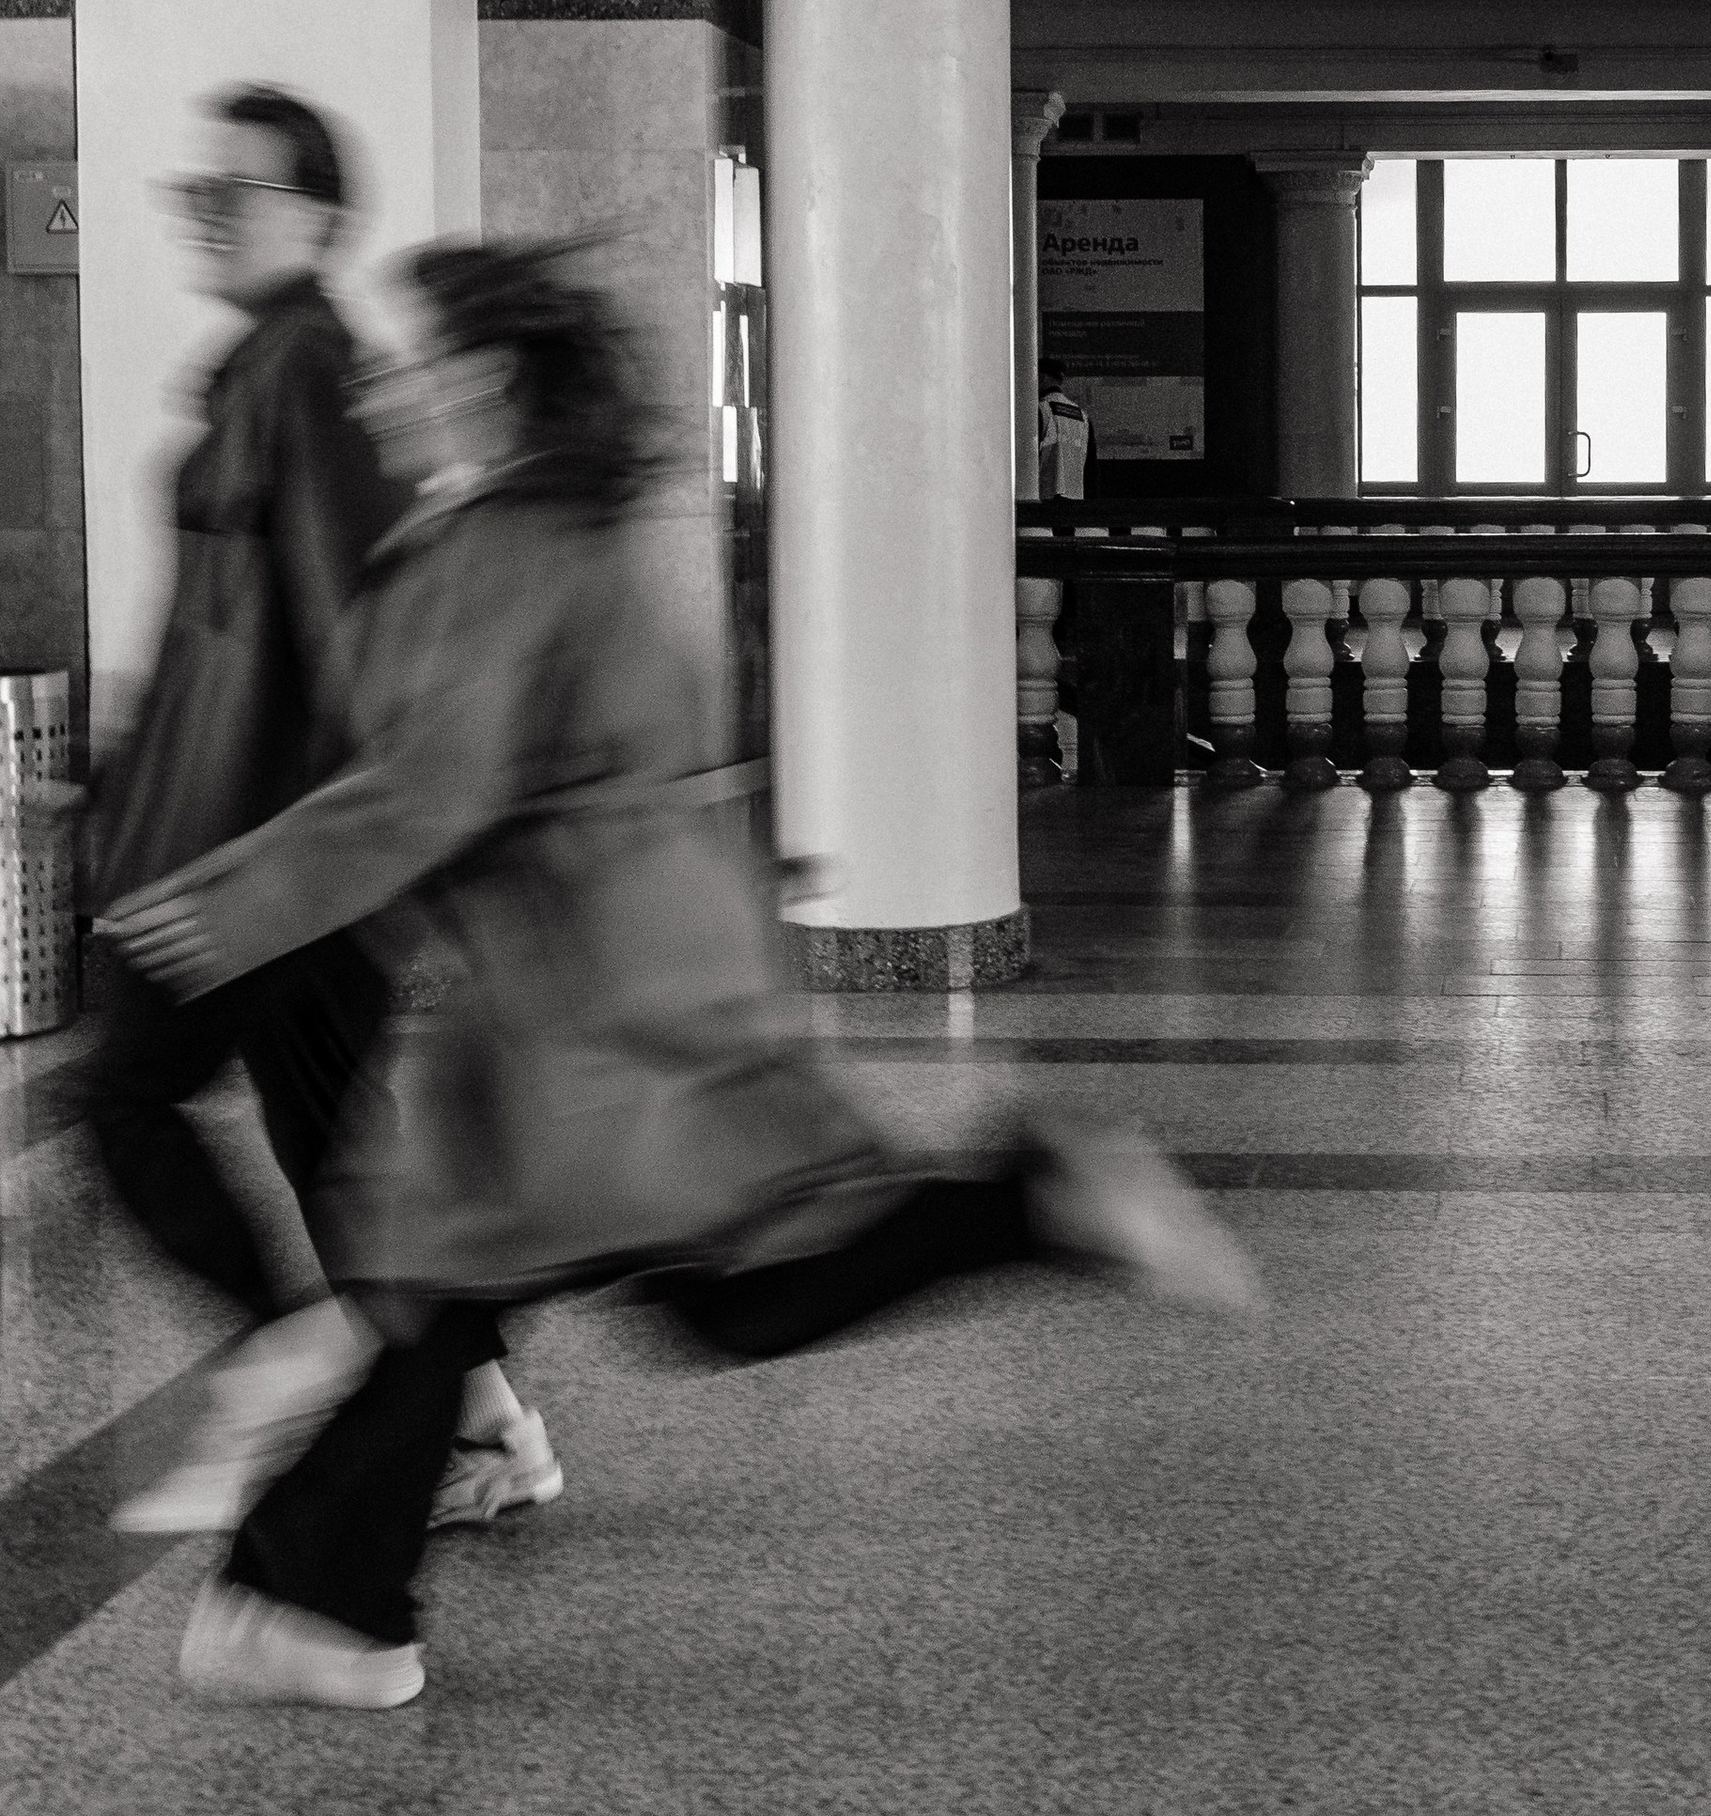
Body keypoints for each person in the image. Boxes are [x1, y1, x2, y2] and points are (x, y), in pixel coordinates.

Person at [105, 237, 1256, 1713]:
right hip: (621, 974)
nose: (389, 391)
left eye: (417, 363)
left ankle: (322, 1603)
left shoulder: (498, 552)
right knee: (638, 1293)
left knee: (464, 1285)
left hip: (576, 1003)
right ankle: (331, 1600)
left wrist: (226, 908)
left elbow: (429, 792)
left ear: (491, 380)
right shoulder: (556, 535)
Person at [80, 87, 556, 1540]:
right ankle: (489, 1429)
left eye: (244, 188)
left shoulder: (311, 368)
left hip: (259, 860)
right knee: (346, 1159)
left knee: (128, 1102)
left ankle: (287, 1357)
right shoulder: (261, 366)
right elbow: (229, 636)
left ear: (320, 216)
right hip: (247, 841)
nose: (210, 208)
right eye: (200, 186)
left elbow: (356, 635)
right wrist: (118, 771)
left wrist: (323, 857)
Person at [1035, 355, 1091, 501]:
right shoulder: (1082, 416)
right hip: (1075, 499)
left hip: (1044, 498)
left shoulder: (1040, 409)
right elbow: (1091, 468)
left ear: (1041, 378)